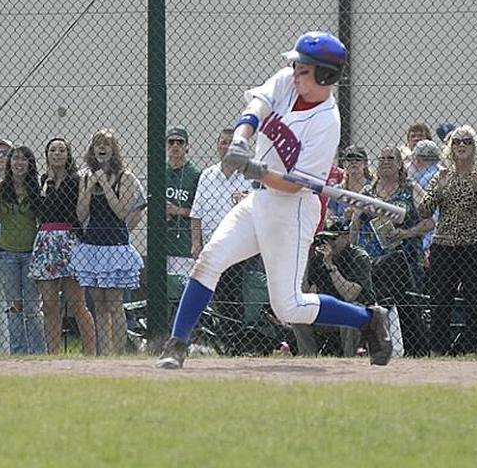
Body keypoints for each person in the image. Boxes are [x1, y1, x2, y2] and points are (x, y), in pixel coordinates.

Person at [156, 31, 391, 369]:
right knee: (209, 261)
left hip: (292, 211)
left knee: (288, 307)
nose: (295, 70)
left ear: (325, 75)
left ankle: (368, 319)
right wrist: (240, 139)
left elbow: (294, 186)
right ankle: (177, 344)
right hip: (258, 202)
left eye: (304, 68)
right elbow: (258, 105)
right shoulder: (287, 81)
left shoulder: (327, 123)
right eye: (296, 64)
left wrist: (254, 169)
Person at [418, 125, 477, 356]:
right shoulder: (442, 175)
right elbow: (423, 211)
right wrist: (438, 190)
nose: (461, 145)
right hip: (444, 244)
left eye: (467, 141)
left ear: (474, 147)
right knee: (440, 299)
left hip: (476, 243)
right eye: (457, 142)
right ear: (450, 147)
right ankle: (438, 349)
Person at [352, 146, 433, 355]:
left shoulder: (411, 189)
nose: (386, 161)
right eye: (382, 158)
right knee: (373, 304)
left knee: (408, 305)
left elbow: (430, 222)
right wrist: (353, 253)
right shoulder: (368, 192)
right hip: (373, 260)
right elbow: (354, 224)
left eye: (391, 158)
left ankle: (417, 352)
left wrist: (406, 233)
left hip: (404, 260)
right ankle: (373, 349)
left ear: (399, 164)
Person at [72, 129, 143, 355]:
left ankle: (120, 353)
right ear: (92, 150)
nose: (102, 148)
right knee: (98, 303)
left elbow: (123, 212)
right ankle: (105, 353)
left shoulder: (126, 177)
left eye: (107, 145)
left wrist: (105, 184)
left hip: (116, 246)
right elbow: (81, 214)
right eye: (97, 144)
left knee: (114, 302)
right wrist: (91, 187)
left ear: (114, 151)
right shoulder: (85, 177)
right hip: (93, 245)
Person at [28, 137, 97, 355]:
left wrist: (49, 187)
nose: (57, 153)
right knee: (49, 305)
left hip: (69, 241)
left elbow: (61, 206)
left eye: (61, 150)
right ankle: (53, 354)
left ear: (68, 155)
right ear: (47, 154)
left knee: (78, 304)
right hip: (45, 242)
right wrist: (46, 184)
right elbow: (40, 210)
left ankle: (89, 352)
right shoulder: (41, 180)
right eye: (53, 150)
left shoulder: (75, 180)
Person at [189, 127, 253, 323]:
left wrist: (247, 199)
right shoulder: (207, 175)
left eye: (231, 143)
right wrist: (196, 243)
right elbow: (196, 213)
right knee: (214, 293)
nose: (226, 146)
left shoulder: (248, 175)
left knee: (234, 293)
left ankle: (237, 336)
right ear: (217, 146)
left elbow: (262, 206)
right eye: (223, 142)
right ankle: (221, 334)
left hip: (238, 247)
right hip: (211, 245)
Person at [0, 145, 44, 355]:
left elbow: (40, 221)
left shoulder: (36, 190)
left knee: (31, 307)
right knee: (14, 306)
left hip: (30, 253)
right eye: (15, 159)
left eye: (24, 159)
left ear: (30, 164)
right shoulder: (0, 188)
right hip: (7, 253)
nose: (19, 163)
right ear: (9, 163)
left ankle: (37, 352)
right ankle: (18, 351)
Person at [293, 217, 373, 357]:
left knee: (350, 311)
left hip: (357, 310)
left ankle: (351, 360)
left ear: (346, 237)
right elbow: (304, 291)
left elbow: (350, 295)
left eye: (333, 239)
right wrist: (305, 258)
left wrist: (330, 265)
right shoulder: (318, 258)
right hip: (328, 312)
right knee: (298, 313)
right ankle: (308, 359)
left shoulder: (358, 256)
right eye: (325, 239)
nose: (329, 243)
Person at [165, 126, 202, 294]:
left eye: (180, 142)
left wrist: (177, 210)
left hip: (183, 243)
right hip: (163, 241)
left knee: (181, 291)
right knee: (163, 290)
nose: (175, 146)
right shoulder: (160, 171)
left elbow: (200, 210)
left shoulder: (195, 174)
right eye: (171, 142)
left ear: (187, 146)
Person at [327, 145, 372, 218]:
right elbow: (329, 217)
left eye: (358, 159)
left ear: (365, 164)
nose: (353, 162)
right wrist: (343, 218)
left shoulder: (371, 188)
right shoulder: (337, 189)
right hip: (342, 229)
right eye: (349, 159)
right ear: (344, 164)